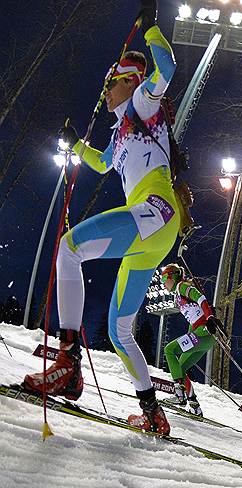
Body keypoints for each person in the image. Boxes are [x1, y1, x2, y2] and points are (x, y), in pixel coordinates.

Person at [22, 0, 180, 435]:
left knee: (69, 250)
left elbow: (165, 69)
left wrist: (151, 29)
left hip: (154, 214)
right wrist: (74, 144)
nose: (104, 91)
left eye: (110, 83)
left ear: (129, 83)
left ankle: (69, 363)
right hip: (153, 234)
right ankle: (152, 412)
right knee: (119, 329)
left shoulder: (143, 105)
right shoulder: (121, 131)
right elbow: (102, 163)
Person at [159, 264, 218, 417]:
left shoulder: (181, 286)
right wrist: (190, 338)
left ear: (173, 276)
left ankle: (179, 395)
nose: (163, 282)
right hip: (201, 336)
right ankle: (194, 405)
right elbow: (194, 319)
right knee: (180, 368)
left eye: (165, 278)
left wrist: (210, 317)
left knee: (169, 350)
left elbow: (201, 298)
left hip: (204, 332)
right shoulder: (178, 294)